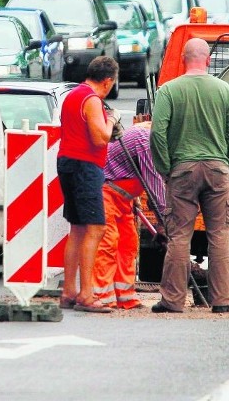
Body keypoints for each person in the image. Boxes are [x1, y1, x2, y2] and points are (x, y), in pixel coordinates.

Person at [149, 38, 229, 314]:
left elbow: (157, 133)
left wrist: (165, 167)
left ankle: (173, 301)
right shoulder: (224, 90)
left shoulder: (169, 91)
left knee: (179, 236)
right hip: (218, 170)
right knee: (220, 236)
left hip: (182, 170)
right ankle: (221, 301)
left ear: (183, 59)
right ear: (208, 60)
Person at [57, 56, 120, 313]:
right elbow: (100, 137)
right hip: (86, 166)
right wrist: (112, 120)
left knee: (78, 229)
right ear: (107, 81)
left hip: (67, 162)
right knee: (95, 228)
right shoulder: (93, 100)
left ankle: (69, 290)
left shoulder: (73, 94)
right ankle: (86, 293)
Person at [92, 122, 166, 310]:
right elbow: (154, 182)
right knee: (108, 243)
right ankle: (102, 295)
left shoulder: (153, 135)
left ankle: (125, 297)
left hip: (125, 198)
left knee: (128, 245)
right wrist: (164, 222)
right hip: (106, 191)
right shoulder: (146, 140)